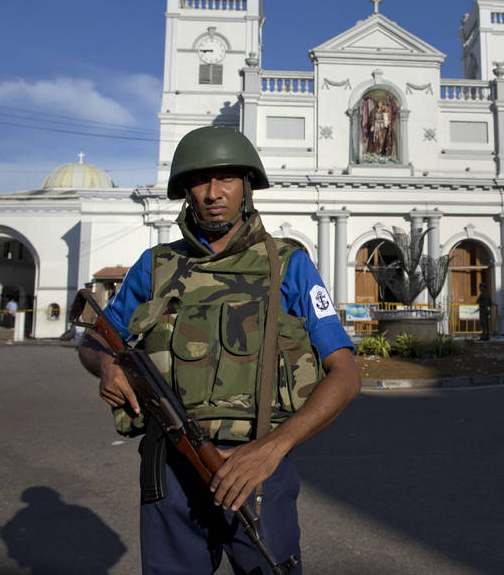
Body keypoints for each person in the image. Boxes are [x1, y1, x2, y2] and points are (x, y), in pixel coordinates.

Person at [77, 125, 361, 574]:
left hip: (258, 467)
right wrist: (107, 366)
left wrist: (272, 449)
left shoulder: (288, 263)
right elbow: (94, 339)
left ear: (246, 186)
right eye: (200, 181)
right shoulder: (155, 266)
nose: (213, 192)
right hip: (170, 467)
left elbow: (345, 374)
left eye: (227, 178)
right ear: (185, 192)